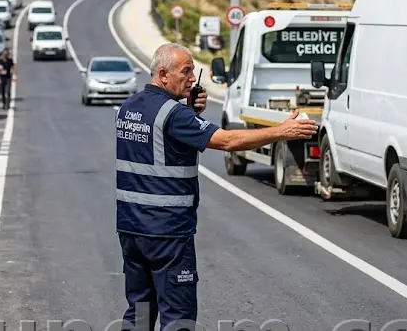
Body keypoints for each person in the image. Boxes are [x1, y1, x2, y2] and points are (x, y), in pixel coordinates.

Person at [115, 43, 318, 330]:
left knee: (139, 313)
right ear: (163, 74)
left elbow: (159, 147)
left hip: (131, 229)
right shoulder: (174, 115)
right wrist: (281, 131)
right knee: (178, 317)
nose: (192, 80)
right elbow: (227, 142)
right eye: (185, 72)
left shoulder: (128, 108)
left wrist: (188, 111)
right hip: (167, 233)